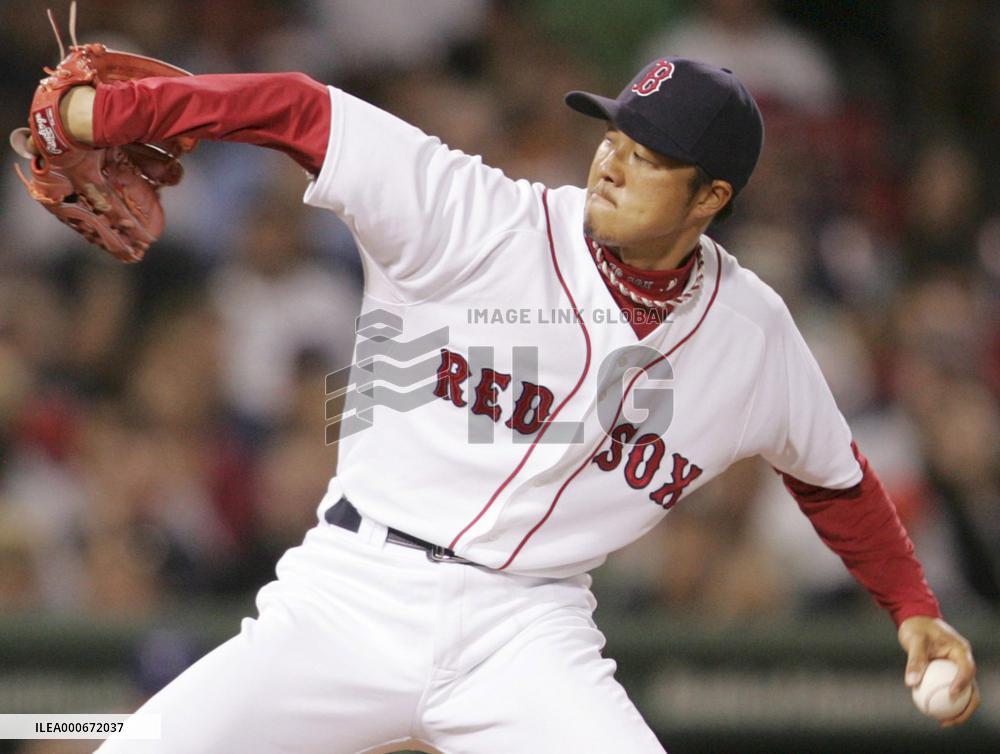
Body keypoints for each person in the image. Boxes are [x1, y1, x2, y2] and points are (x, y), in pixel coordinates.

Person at [48, 56, 978, 753]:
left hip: (527, 633)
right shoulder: (476, 216)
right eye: (614, 131)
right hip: (353, 593)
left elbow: (837, 481)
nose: (613, 160)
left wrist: (911, 607)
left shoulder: (754, 334)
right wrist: (133, 111)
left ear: (712, 197)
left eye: (651, 156)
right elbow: (304, 108)